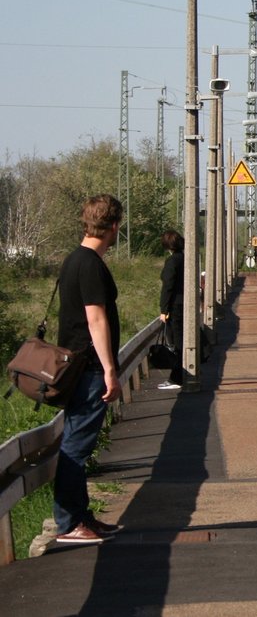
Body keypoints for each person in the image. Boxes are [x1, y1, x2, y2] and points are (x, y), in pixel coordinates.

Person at [53, 193, 124, 546]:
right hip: (89, 369)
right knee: (76, 447)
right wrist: (110, 369)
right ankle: (68, 523)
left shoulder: (73, 260)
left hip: (78, 367)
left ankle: (81, 517)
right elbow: (95, 319)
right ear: (113, 226)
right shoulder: (91, 264)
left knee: (77, 443)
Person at [157, 230, 185, 389]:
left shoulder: (172, 261)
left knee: (176, 342)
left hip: (175, 306)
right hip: (185, 304)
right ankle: (180, 375)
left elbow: (168, 286)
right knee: (180, 341)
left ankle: (177, 378)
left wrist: (163, 310)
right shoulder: (185, 259)